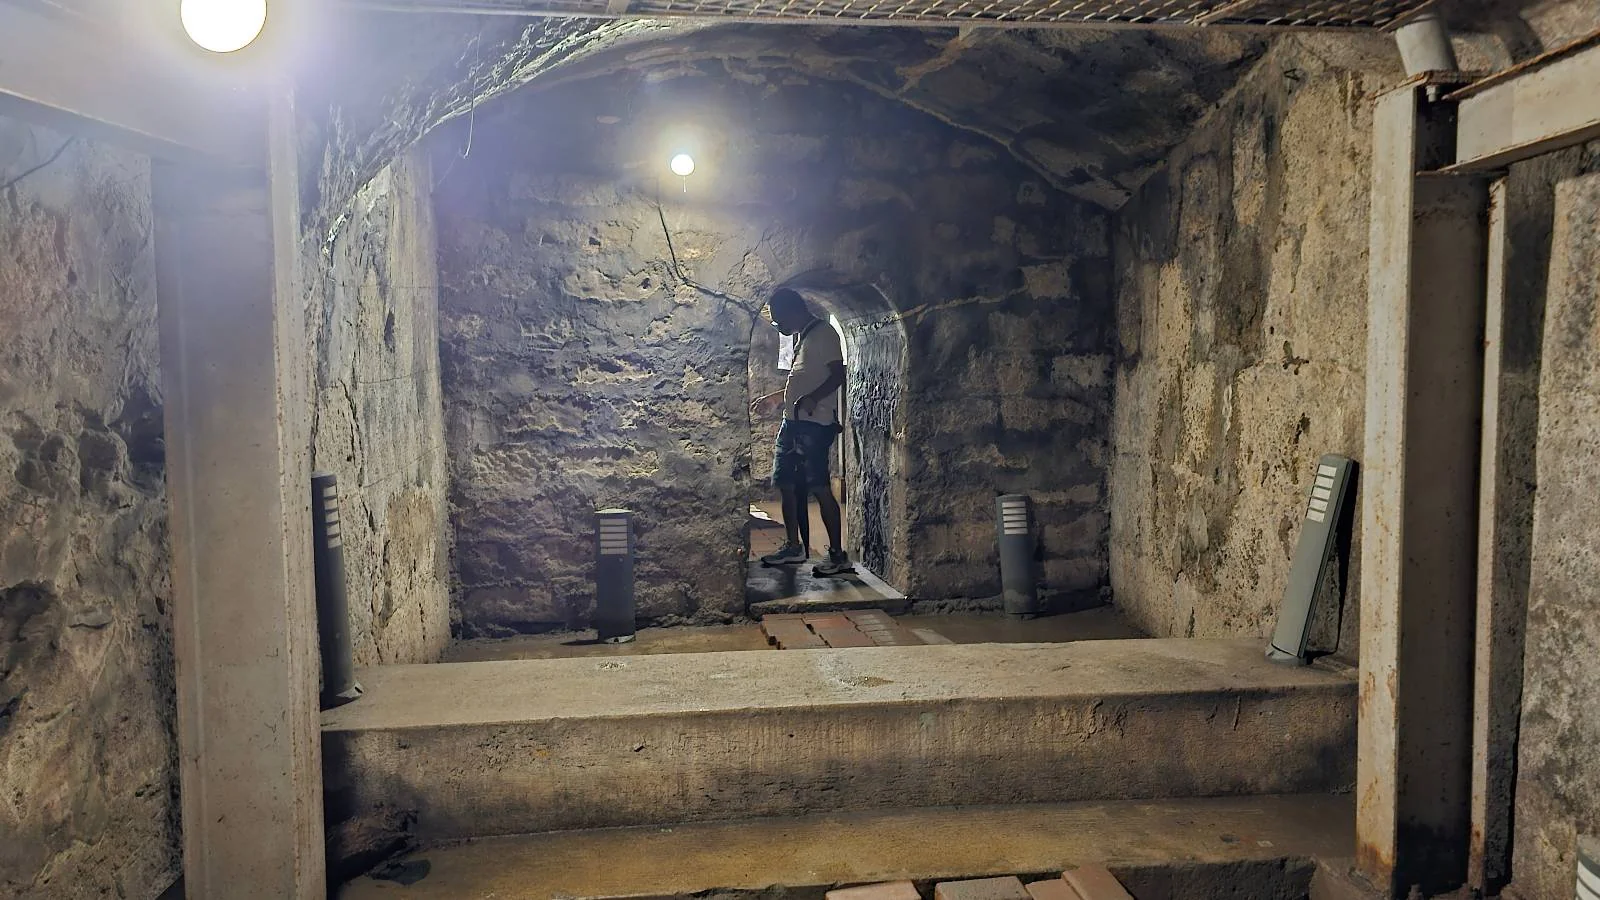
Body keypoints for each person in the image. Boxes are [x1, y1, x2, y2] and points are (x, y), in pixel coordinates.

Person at [752, 288, 853, 576]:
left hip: (813, 425)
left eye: (778, 319)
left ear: (793, 310)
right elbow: (802, 380)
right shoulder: (804, 337)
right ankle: (793, 546)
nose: (778, 325)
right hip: (793, 423)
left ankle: (837, 555)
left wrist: (813, 399)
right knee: (786, 483)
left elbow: (837, 375)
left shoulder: (824, 335)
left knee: (819, 486)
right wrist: (776, 399)